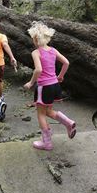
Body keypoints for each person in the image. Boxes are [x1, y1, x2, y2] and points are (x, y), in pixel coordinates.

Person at [23, 21, 76, 150]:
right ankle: (68, 123)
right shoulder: (53, 50)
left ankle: (47, 143)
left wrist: (31, 83)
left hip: (44, 87)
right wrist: (60, 76)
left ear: (35, 38)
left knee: (40, 114)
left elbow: (38, 70)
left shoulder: (36, 52)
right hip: (54, 85)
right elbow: (66, 63)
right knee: (48, 110)